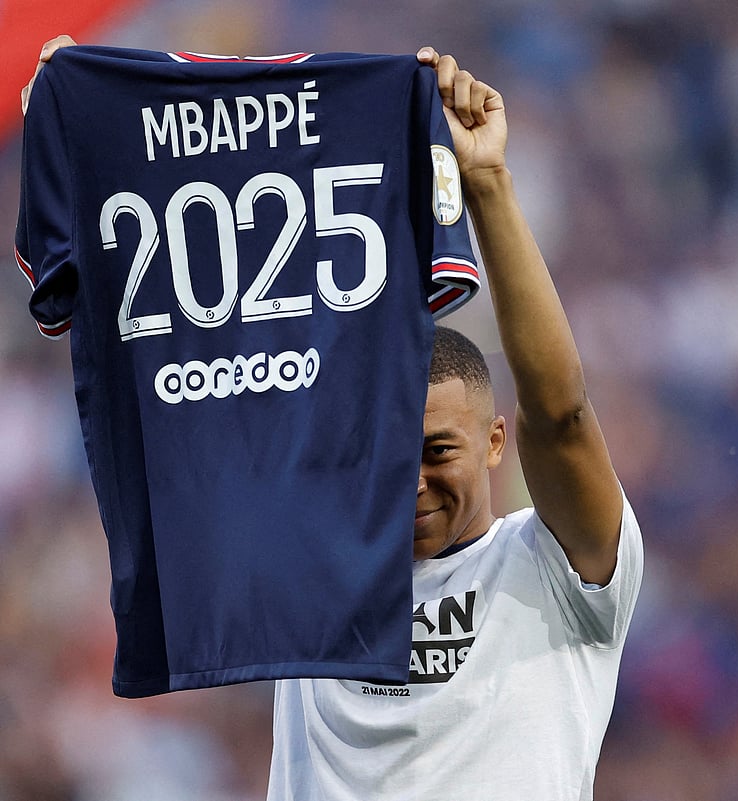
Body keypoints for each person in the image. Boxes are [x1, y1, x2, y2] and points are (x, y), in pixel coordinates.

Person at [25, 38, 643, 801]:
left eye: (436, 450)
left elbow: (562, 412)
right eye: (384, 450)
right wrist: (93, 114)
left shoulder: (555, 568)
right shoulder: (310, 550)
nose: (410, 479)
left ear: (494, 441)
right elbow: (200, 356)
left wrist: (485, 183)